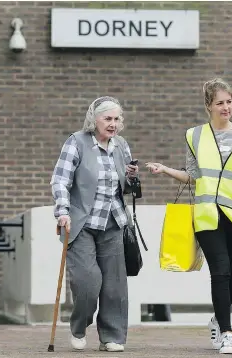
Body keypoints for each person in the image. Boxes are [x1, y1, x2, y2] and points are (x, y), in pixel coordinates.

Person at [146, 78, 232, 355]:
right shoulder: (195, 136)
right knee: (221, 271)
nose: (226, 107)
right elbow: (193, 175)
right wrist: (165, 169)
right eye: (220, 103)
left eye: (229, 102)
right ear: (208, 106)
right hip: (208, 215)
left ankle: (218, 318)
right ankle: (227, 334)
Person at [50, 96, 139, 353]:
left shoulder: (121, 146)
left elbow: (125, 187)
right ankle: (79, 326)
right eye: (108, 119)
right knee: (88, 282)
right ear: (94, 119)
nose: (113, 124)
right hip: (81, 224)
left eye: (117, 119)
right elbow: (60, 180)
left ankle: (112, 336)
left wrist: (132, 178)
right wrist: (63, 212)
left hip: (114, 222)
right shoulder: (76, 142)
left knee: (114, 285)